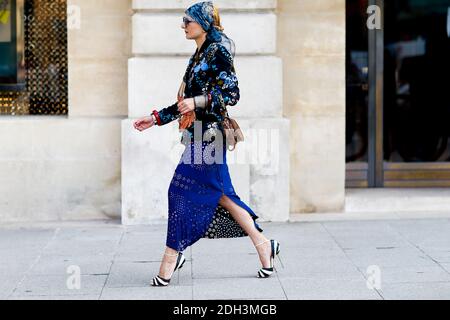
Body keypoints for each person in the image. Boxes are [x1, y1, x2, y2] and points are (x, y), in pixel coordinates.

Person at [133, 1, 283, 287]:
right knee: (223, 195)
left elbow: (232, 92)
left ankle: (171, 255)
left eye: (188, 20)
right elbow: (183, 103)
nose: (183, 25)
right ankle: (265, 245)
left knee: (178, 190)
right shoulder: (199, 54)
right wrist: (155, 118)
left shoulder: (218, 51)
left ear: (203, 22)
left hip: (209, 134)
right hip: (198, 133)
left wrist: (199, 101)